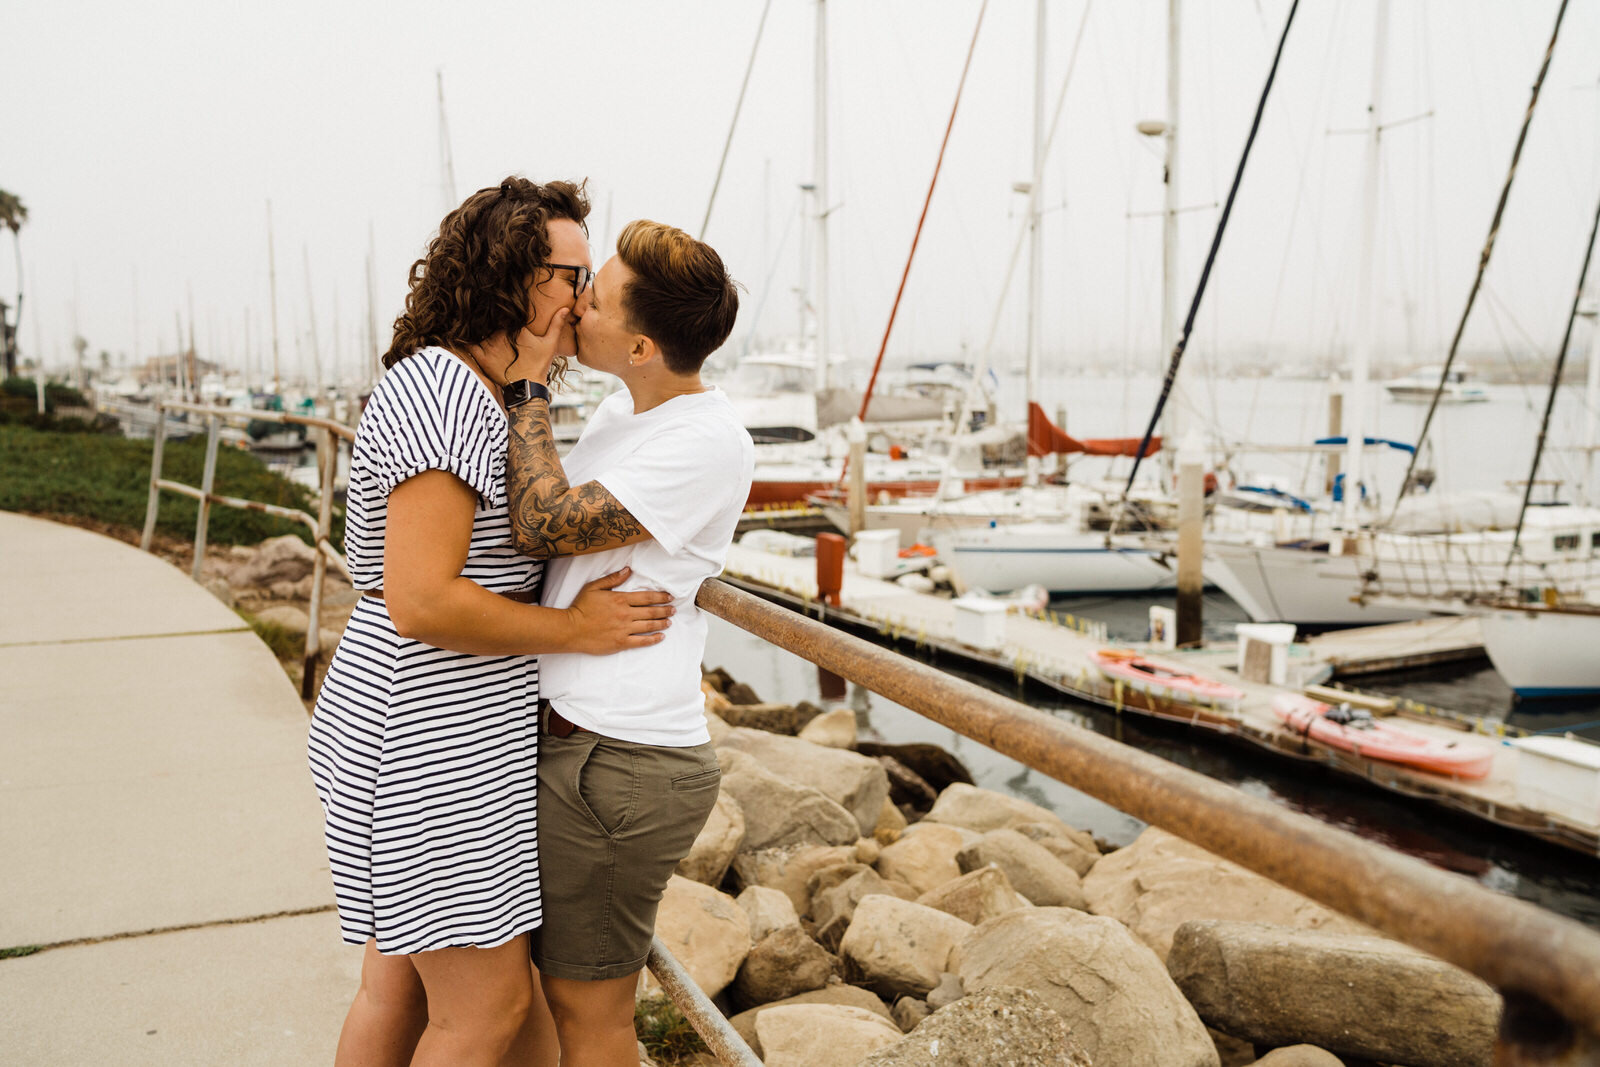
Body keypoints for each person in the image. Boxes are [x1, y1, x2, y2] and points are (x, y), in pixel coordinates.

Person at [306, 177, 675, 1067]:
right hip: (422, 737)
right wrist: (580, 631)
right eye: (571, 274)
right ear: (511, 274)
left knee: (398, 991)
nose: (584, 298)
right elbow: (423, 597)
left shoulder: (495, 391)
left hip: (449, 728)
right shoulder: (444, 390)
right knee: (490, 1007)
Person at [476, 218, 752, 1066]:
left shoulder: (707, 439)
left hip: (619, 763)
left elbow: (544, 522)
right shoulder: (618, 408)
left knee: (588, 1010)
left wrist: (527, 388)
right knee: (542, 995)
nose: (575, 301)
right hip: (577, 745)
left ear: (638, 345)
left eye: (593, 295)